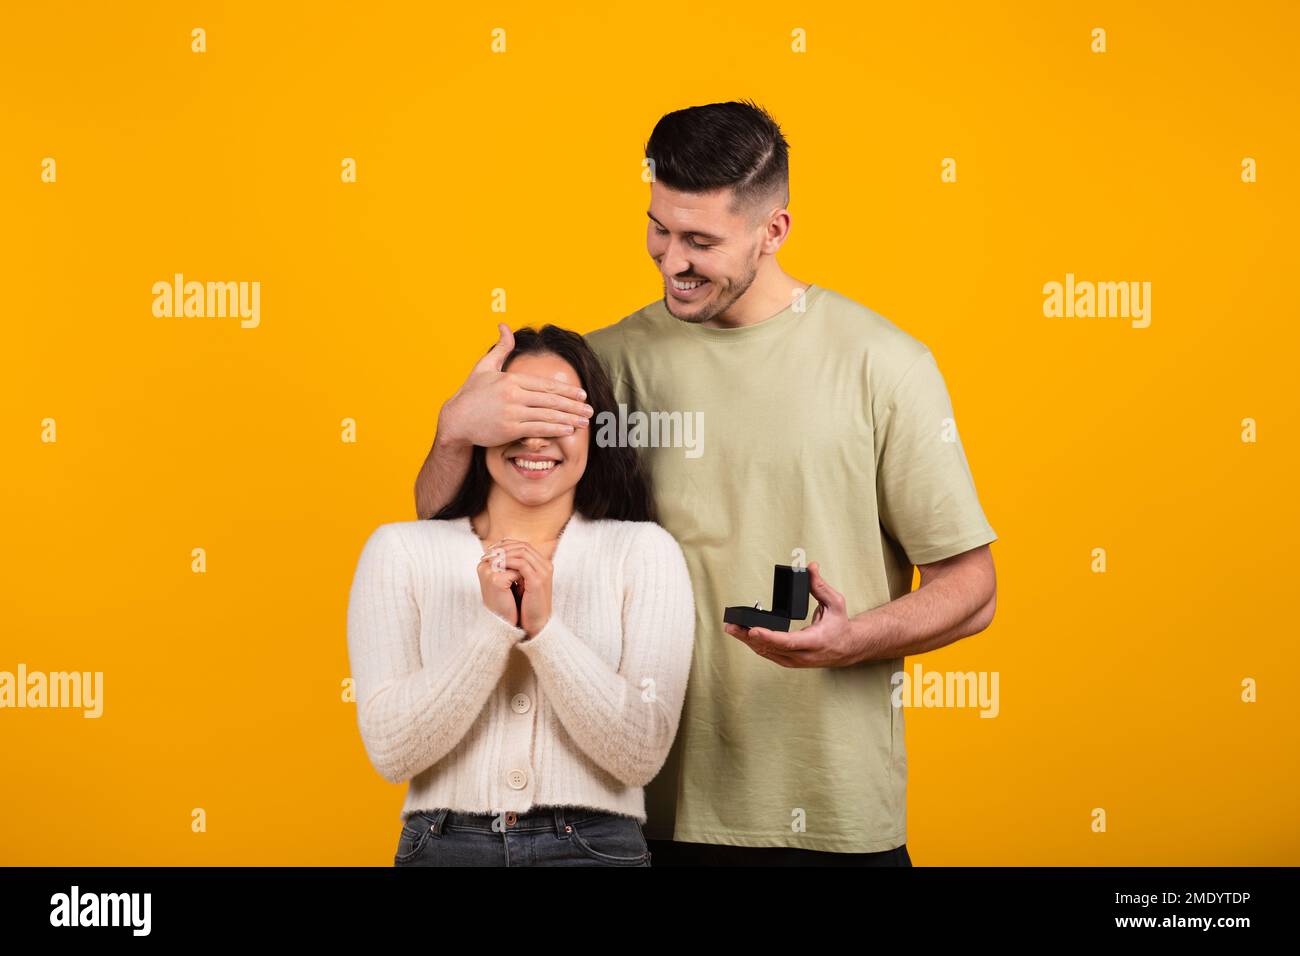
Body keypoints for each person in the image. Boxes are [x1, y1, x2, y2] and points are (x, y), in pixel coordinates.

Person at [414, 100, 999, 866]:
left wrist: (849, 641)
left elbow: (973, 586)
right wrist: (456, 427)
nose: (671, 261)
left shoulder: (884, 367)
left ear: (774, 230)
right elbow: (449, 535)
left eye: (700, 241)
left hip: (826, 813)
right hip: (624, 816)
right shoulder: (603, 366)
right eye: (659, 228)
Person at [348, 326, 696, 866]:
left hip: (594, 846)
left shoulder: (643, 552)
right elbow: (392, 752)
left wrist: (546, 633)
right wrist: (491, 632)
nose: (536, 439)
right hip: (443, 845)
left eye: (560, 415)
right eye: (517, 415)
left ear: (595, 432)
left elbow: (641, 755)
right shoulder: (400, 551)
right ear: (479, 427)